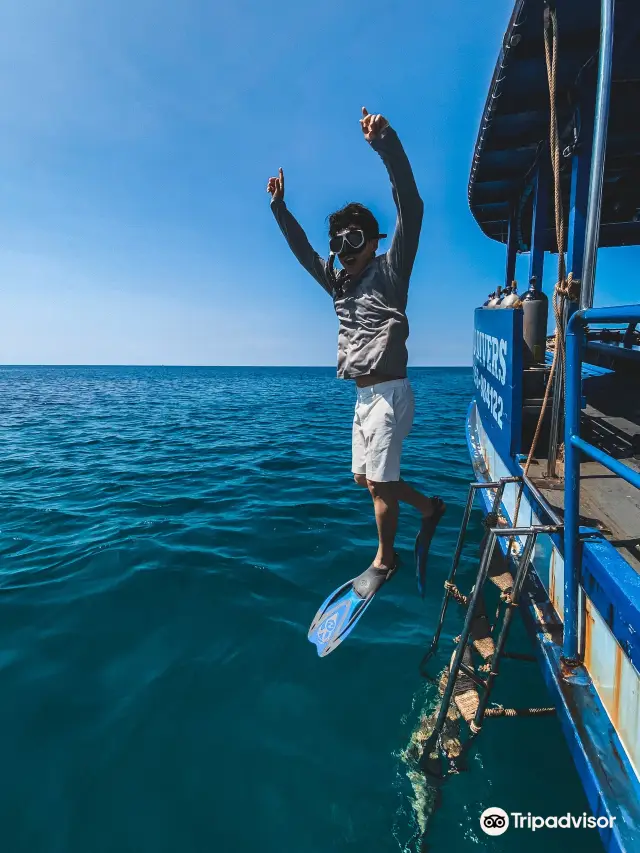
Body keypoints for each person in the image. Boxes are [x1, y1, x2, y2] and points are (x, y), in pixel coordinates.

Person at [267, 108, 445, 656]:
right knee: (367, 485)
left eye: (354, 239)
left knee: (381, 490)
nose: (343, 250)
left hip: (391, 395)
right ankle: (429, 508)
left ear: (372, 239)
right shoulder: (340, 286)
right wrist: (279, 210)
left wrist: (386, 145)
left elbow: (411, 206)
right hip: (362, 399)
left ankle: (385, 560)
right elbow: (302, 251)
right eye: (338, 243)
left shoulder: (391, 272)